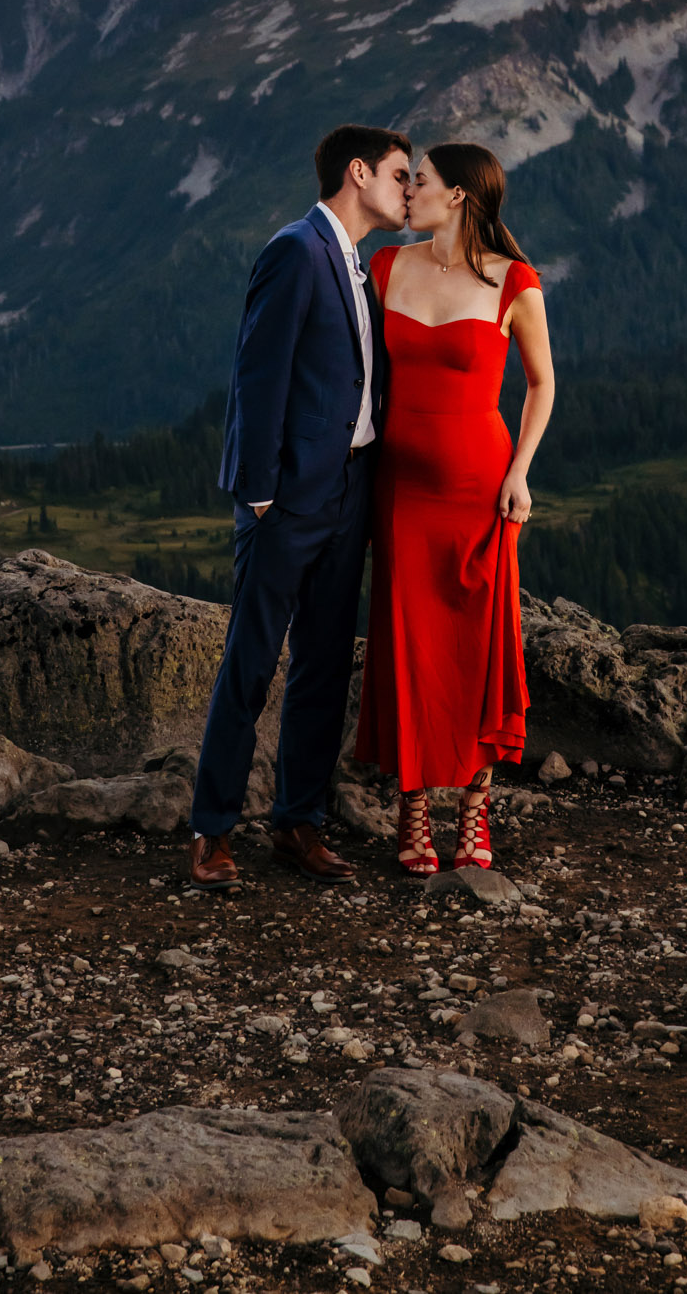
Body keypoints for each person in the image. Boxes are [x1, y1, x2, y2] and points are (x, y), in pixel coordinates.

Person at [188, 122, 412, 892]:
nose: (407, 189)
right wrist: (260, 495)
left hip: (349, 492)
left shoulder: (359, 262)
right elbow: (257, 375)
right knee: (250, 665)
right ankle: (211, 833)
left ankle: (298, 822)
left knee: (323, 664)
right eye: (397, 174)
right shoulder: (295, 249)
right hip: (286, 498)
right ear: (357, 173)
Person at [353, 140, 555, 876]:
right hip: (400, 489)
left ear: (460, 196)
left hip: (480, 488)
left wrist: (521, 473)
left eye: (421, 181)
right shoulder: (385, 268)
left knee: (476, 645)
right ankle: (411, 808)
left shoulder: (513, 281)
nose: (407, 191)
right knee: (408, 645)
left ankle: (473, 809)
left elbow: (540, 385)